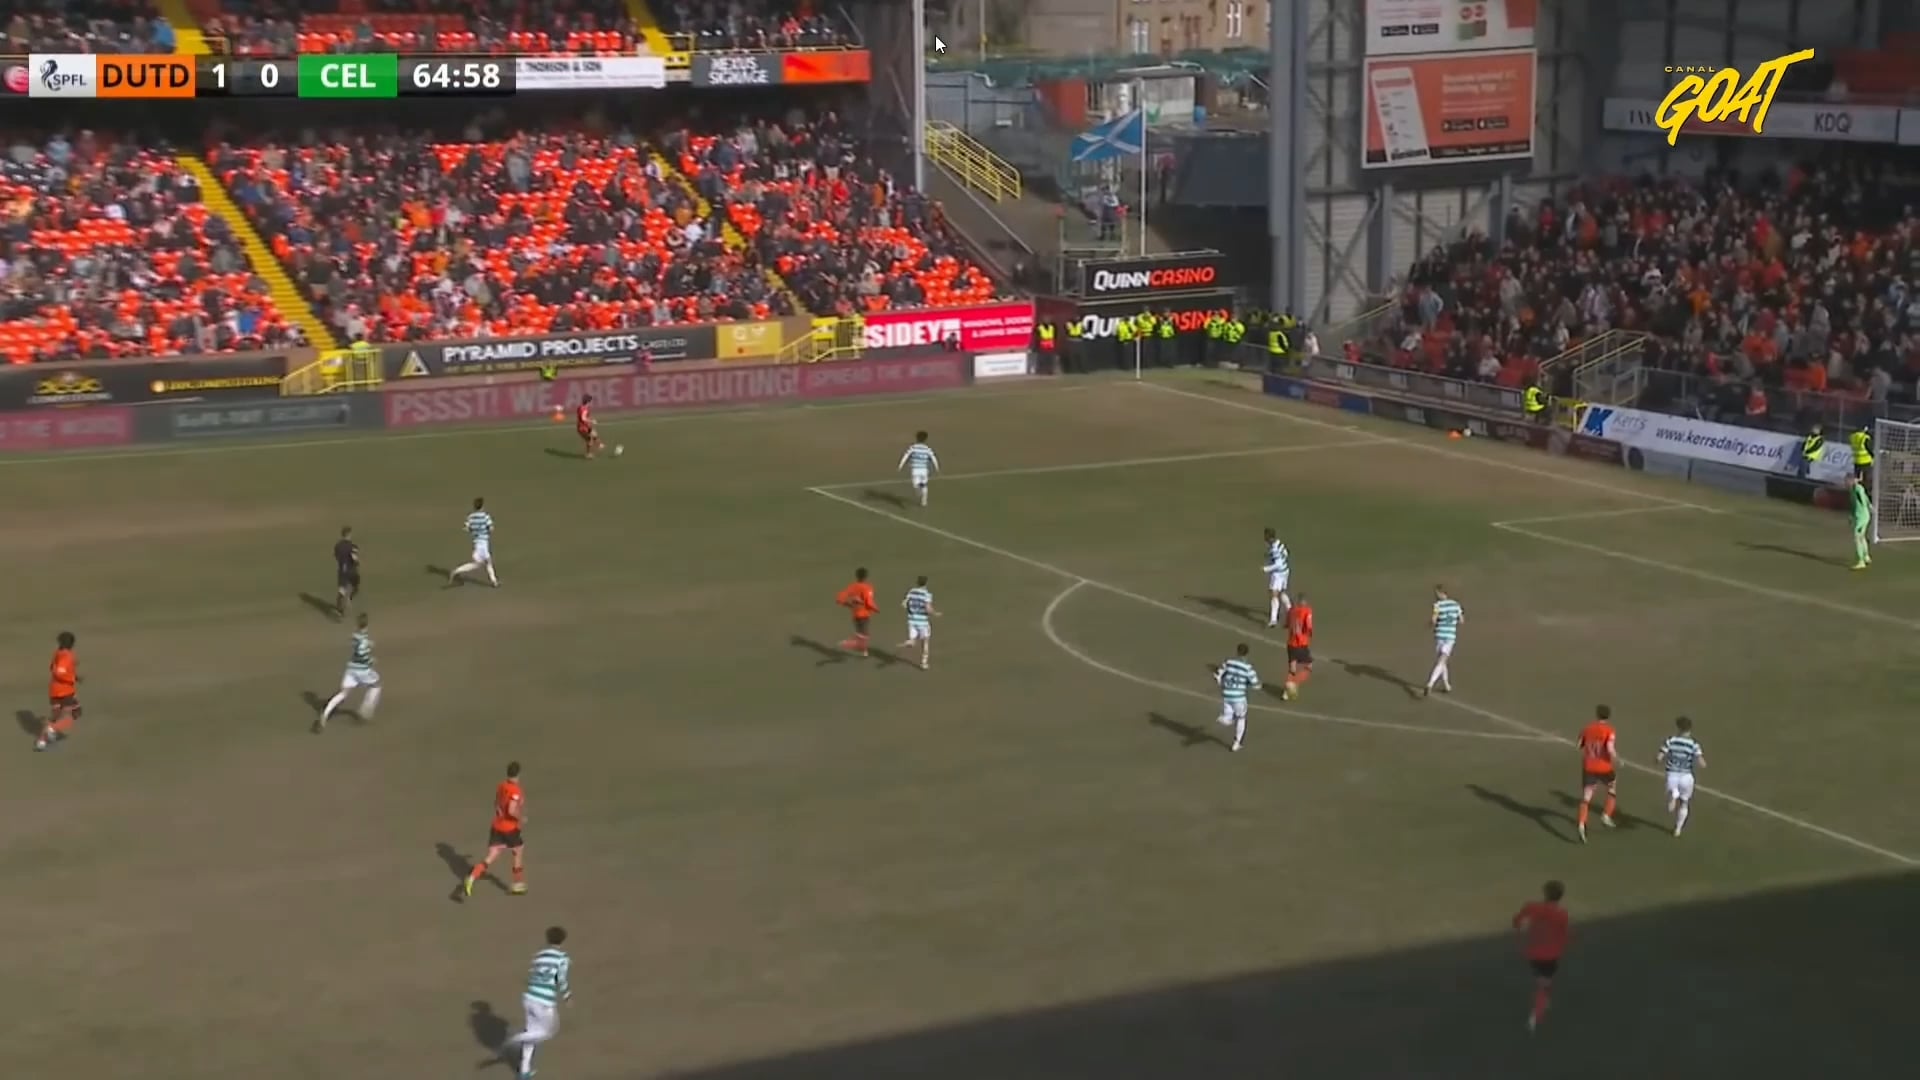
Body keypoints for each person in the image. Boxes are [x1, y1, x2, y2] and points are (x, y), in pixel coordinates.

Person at [501, 926, 572, 1079]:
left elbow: (533, 975)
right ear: (563, 941)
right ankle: (514, 1039)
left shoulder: (538, 956)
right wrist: (567, 996)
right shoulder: (562, 958)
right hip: (543, 1002)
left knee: (532, 1035)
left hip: (529, 998)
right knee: (549, 1031)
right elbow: (561, 980)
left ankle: (524, 1072)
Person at [1512, 880, 1569, 1033]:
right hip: (1551, 955)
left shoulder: (1531, 907)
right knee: (1544, 983)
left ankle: (1543, 999)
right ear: (1560, 897)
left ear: (1545, 893)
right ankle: (1535, 1017)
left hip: (1533, 953)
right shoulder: (1562, 914)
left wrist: (1523, 926)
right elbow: (1564, 935)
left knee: (1541, 980)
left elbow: (1517, 922)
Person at [467, 761, 528, 897]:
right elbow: (511, 810)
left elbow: (496, 803)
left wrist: (500, 815)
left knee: (492, 855)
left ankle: (472, 877)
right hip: (510, 829)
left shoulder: (501, 786)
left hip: (497, 826)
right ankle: (518, 884)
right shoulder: (515, 790)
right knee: (518, 851)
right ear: (518, 774)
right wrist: (521, 818)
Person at [316, 612, 381, 732]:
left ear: (357, 624)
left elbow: (356, 642)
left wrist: (368, 643)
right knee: (376, 686)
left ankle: (325, 714)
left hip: (351, 670)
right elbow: (361, 653)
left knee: (343, 693)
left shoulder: (355, 636)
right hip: (362, 671)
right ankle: (364, 711)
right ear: (367, 625)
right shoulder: (363, 641)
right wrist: (370, 660)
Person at [1575, 705, 1619, 842]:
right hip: (1604, 767)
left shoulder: (1587, 729)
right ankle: (1606, 815)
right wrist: (1617, 759)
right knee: (1612, 787)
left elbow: (1578, 745)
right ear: (1608, 715)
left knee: (1586, 797)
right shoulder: (1609, 730)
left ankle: (1581, 824)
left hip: (1589, 767)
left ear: (1597, 714)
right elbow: (1610, 748)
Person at [1660, 716, 1706, 838]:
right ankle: (1678, 829)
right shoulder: (1693, 744)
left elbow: (1659, 756)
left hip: (1672, 774)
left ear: (1678, 728)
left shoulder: (1670, 740)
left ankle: (1673, 794)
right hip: (1686, 777)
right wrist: (1702, 763)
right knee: (1684, 803)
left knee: (1671, 790)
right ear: (1690, 729)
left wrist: (1657, 759)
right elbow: (1701, 761)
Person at [35, 631, 80, 752]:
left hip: (54, 690)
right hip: (65, 691)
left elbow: (52, 667)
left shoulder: (57, 653)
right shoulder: (67, 656)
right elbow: (60, 672)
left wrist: (74, 675)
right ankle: (52, 729)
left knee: (55, 716)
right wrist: (73, 678)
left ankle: (41, 741)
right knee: (71, 718)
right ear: (71, 644)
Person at [1212, 642, 1261, 753]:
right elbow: (1256, 684)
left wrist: (1219, 679)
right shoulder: (1248, 668)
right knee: (1241, 718)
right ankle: (1236, 743)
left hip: (1227, 695)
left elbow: (1219, 672)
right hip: (1239, 698)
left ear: (1237, 651)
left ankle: (1225, 719)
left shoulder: (1229, 662)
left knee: (1228, 716)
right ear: (1247, 653)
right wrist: (1257, 685)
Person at [450, 496, 499, 588]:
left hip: (477, 543)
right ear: (482, 506)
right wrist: (485, 531)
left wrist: (474, 530)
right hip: (483, 544)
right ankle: (457, 571)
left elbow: (466, 528)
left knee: (485, 563)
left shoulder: (471, 517)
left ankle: (494, 581)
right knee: (481, 564)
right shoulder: (485, 516)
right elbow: (491, 528)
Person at [1423, 585, 1463, 696]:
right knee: (1442, 661)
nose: (1436, 596)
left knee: (1441, 660)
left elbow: (1434, 620)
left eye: (1437, 594)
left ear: (1442, 593)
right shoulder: (1456, 605)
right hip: (1450, 636)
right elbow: (1461, 620)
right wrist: (1452, 622)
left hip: (1440, 635)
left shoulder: (1438, 605)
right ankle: (1446, 685)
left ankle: (1430, 684)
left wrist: (1429, 624)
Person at [899, 575, 938, 670]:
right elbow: (928, 608)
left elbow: (903, 604)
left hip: (912, 620)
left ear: (917, 582)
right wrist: (935, 613)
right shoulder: (927, 594)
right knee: (925, 642)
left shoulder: (911, 591)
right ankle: (924, 663)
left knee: (913, 639)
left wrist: (911, 610)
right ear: (926, 583)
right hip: (923, 622)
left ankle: (910, 641)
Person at [836, 567, 877, 656]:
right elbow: (869, 601)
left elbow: (839, 598)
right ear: (866, 577)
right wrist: (875, 609)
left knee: (861, 633)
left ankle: (864, 651)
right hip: (864, 615)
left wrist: (848, 605)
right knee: (864, 635)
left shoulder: (852, 587)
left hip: (855, 614)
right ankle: (847, 643)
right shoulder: (867, 588)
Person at [1281, 594, 1314, 700]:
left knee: (1292, 669)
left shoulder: (1291, 611)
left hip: (1291, 644)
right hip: (1301, 644)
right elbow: (1308, 627)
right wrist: (1309, 633)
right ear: (1304, 602)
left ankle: (1286, 693)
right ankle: (1292, 684)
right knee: (1308, 667)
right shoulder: (1307, 611)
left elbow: (1286, 625)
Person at [898, 431, 940, 508]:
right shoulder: (927, 449)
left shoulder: (913, 447)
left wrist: (901, 465)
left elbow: (906, 456)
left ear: (917, 438)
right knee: (923, 484)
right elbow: (933, 457)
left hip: (916, 470)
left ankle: (922, 496)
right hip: (924, 470)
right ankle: (924, 499)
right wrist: (937, 467)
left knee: (916, 485)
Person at [1261, 527, 1291, 628]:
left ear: (1269, 537)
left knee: (1274, 594)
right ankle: (1290, 611)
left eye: (1266, 537)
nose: (1264, 538)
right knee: (1282, 593)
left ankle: (1273, 619)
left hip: (1278, 574)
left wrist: (1266, 569)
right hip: (1285, 571)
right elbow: (1286, 553)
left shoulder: (1274, 549)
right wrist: (1270, 556)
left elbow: (1278, 564)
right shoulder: (1279, 544)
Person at [333, 525, 361, 617]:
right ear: (349, 534)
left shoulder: (337, 546)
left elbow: (336, 557)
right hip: (351, 571)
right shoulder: (352, 546)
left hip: (342, 571)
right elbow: (354, 558)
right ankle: (350, 598)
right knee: (356, 586)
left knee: (341, 591)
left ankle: (339, 610)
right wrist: (357, 563)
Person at [1849, 473, 1874, 571]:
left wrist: (1867, 505)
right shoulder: (1852, 489)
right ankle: (1866, 556)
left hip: (1863, 517)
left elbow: (1863, 498)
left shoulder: (1858, 488)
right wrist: (1851, 515)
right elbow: (1853, 504)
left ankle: (1861, 561)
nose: (1846, 482)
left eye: (1848, 480)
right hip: (1860, 517)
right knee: (1861, 537)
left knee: (1857, 537)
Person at [576, 394, 605, 459]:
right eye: (591, 400)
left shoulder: (580, 407)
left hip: (586, 426)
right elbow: (583, 418)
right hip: (582, 428)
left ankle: (600, 445)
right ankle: (588, 454)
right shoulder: (585, 409)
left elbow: (582, 416)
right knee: (589, 440)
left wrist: (589, 421)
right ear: (588, 401)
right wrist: (592, 421)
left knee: (594, 434)